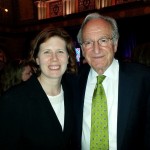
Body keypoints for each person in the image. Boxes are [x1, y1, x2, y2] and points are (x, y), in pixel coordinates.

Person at [72, 12, 150, 150]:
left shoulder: (143, 79)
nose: (96, 49)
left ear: (115, 44)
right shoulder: (72, 81)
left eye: (103, 40)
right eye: (88, 42)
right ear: (83, 49)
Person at [0, 27, 77, 149]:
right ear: (37, 59)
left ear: (68, 57)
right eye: (47, 52)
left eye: (60, 51)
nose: (54, 58)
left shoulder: (73, 93)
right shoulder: (13, 100)